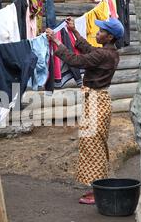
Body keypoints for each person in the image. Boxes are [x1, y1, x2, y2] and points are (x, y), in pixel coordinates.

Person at [46, 17, 124, 204]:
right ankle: (99, 186)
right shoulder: (110, 52)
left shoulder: (104, 54)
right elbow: (89, 50)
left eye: (100, 32)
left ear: (110, 36)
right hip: (98, 100)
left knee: (92, 145)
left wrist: (56, 41)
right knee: (95, 144)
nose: (96, 33)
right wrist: (73, 31)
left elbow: (76, 60)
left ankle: (97, 190)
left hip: (96, 102)